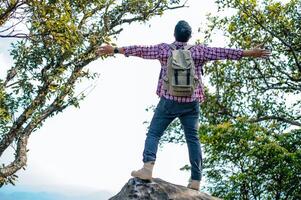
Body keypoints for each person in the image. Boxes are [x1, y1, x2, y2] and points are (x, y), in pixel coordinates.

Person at [96, 20, 271, 191]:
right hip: (191, 102)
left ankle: (147, 167)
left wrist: (115, 49)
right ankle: (195, 179)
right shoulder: (199, 51)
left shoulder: (164, 49)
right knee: (193, 139)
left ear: (174, 34)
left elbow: (141, 50)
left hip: (169, 100)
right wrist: (251, 53)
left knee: (154, 133)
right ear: (189, 36)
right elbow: (224, 52)